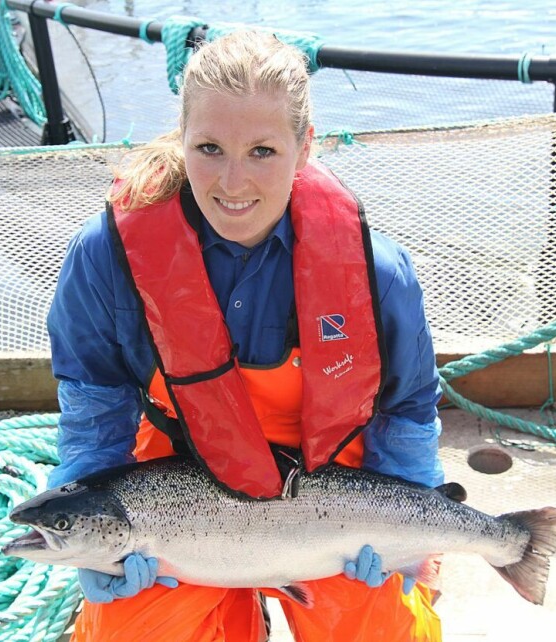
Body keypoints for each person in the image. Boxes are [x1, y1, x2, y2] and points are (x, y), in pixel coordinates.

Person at [46, 29, 444, 642]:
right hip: (179, 476)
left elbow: (407, 413)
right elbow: (96, 412)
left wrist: (411, 535)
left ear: (304, 147)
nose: (233, 183)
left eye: (262, 151)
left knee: (374, 629)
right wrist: (88, 539)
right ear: (182, 139)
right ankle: (234, 616)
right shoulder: (106, 258)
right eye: (209, 148)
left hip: (331, 484)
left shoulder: (377, 273)